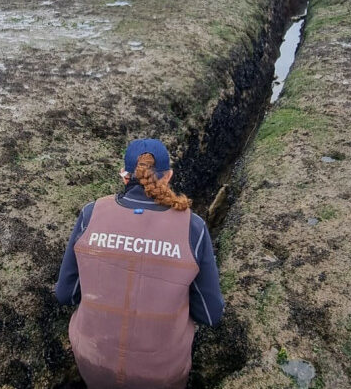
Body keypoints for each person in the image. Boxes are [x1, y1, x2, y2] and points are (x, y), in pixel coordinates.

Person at [55, 138, 224, 389]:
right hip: (163, 376)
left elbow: (65, 294)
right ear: (168, 177)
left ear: (125, 176)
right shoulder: (193, 227)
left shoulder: (91, 214)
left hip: (92, 364)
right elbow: (210, 314)